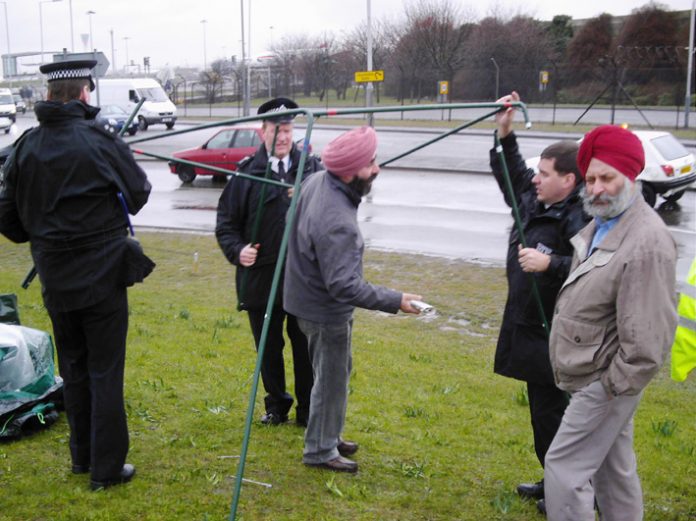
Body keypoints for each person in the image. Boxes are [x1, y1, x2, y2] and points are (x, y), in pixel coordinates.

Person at [0, 60, 152, 490]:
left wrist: (46, 232)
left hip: (57, 280)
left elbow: (9, 221)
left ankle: (83, 458)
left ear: (49, 95)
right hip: (102, 278)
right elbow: (139, 194)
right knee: (104, 370)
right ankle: (103, 469)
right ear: (85, 93)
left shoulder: (26, 147)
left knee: (76, 367)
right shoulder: (98, 141)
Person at [544, 125, 678, 520]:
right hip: (596, 375)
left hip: (606, 381)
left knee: (564, 469)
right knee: (612, 470)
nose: (598, 188)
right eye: (591, 179)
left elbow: (648, 340)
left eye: (608, 178)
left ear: (630, 177)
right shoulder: (602, 226)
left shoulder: (646, 242)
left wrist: (611, 387)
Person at [283, 126, 423, 473]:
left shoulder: (318, 181)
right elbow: (344, 286)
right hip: (324, 311)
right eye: (370, 163)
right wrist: (396, 300)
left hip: (307, 300)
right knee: (330, 380)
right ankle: (320, 450)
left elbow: (292, 223)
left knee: (334, 374)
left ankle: (326, 433)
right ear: (348, 171)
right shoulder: (336, 219)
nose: (376, 169)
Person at [489, 91, 590, 508]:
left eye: (544, 173)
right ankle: (555, 484)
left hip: (558, 334)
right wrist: (504, 131)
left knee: (561, 417)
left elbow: (592, 271)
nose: (535, 178)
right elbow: (512, 174)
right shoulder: (536, 200)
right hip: (529, 328)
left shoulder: (581, 217)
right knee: (544, 415)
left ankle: (572, 492)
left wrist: (550, 266)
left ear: (568, 180)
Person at [216, 97, 323, 427]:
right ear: (262, 132)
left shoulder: (311, 169)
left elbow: (327, 217)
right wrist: (238, 251)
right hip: (261, 280)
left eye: (288, 130)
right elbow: (226, 224)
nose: (283, 137)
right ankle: (277, 405)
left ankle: (308, 409)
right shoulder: (247, 173)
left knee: (305, 348)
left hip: (302, 278)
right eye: (276, 131)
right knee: (268, 347)